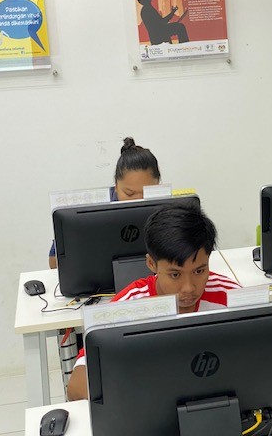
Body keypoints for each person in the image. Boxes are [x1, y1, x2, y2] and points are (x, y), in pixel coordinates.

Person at [66, 204, 241, 401]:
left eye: (199, 271)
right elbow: (76, 386)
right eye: (175, 274)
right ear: (151, 263)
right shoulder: (128, 306)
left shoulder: (231, 296)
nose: (188, 287)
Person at [48, 137, 160, 268]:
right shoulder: (93, 209)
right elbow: (54, 262)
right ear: (116, 186)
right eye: (129, 194)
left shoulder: (167, 208)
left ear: (158, 185)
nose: (138, 200)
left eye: (147, 193)